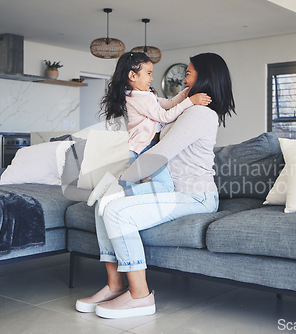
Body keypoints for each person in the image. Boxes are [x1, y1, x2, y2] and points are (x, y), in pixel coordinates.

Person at [75, 53, 235, 319]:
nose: (184, 77)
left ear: (204, 77)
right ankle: (115, 285)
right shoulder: (186, 107)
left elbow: (162, 151)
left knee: (117, 211)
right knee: (104, 203)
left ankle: (140, 296)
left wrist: (124, 178)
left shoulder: (200, 113)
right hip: (170, 189)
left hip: (195, 196)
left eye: (190, 73)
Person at [86, 52, 211, 215]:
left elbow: (169, 103)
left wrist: (185, 93)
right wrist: (190, 102)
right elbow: (164, 116)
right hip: (142, 149)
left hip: (142, 148)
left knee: (133, 187)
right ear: (132, 75)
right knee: (165, 186)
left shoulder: (146, 95)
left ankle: (110, 186)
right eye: (149, 73)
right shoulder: (138, 98)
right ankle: (114, 189)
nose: (151, 78)